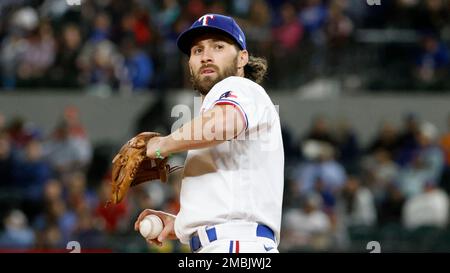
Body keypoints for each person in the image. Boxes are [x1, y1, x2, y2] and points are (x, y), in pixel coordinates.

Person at [133, 14, 284, 253]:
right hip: (229, 244)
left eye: (219, 47)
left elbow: (222, 123)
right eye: (197, 50)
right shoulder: (213, 113)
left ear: (241, 58)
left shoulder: (240, 87)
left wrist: (160, 144)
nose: (206, 56)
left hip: (236, 246)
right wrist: (183, 225)